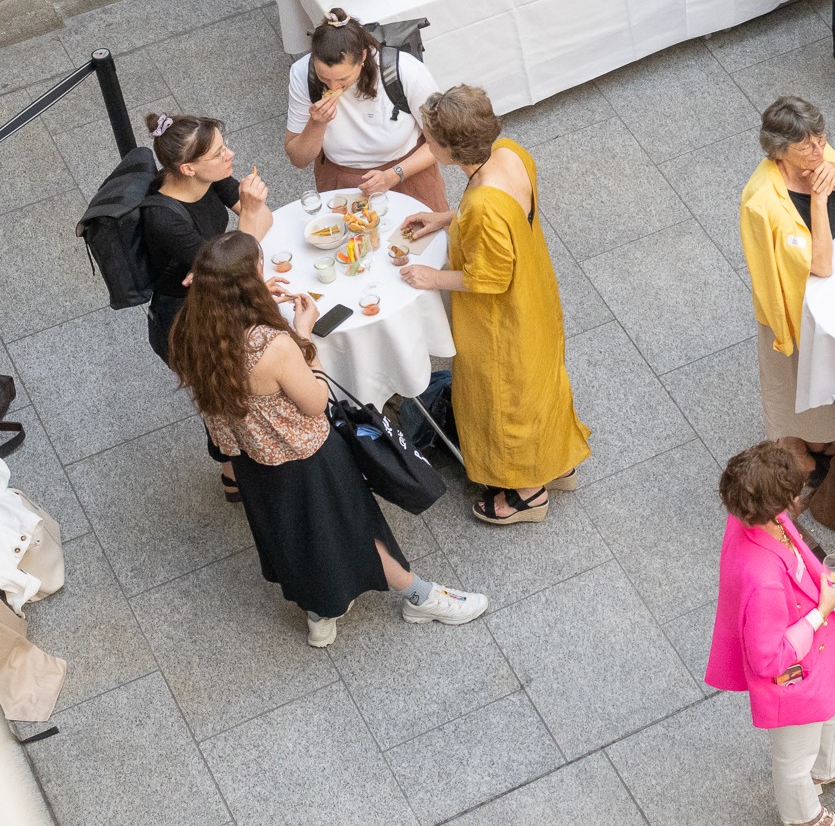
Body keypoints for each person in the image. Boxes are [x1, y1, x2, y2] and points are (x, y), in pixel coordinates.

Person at [168, 233, 486, 645]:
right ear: (250, 278)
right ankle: (420, 596)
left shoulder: (190, 335)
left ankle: (321, 613)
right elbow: (316, 401)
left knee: (298, 536)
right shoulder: (274, 346)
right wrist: (305, 339)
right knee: (355, 527)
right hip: (309, 457)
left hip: (252, 462)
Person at [396, 86, 593, 522]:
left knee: (506, 398)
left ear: (451, 147)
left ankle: (527, 493)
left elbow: (487, 278)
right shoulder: (509, 152)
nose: (424, 143)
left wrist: (431, 277)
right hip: (535, 293)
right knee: (539, 384)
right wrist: (446, 218)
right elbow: (501, 211)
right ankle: (555, 463)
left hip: (502, 319)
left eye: (430, 138)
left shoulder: (483, 202)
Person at [704, 441, 835, 826]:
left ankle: (827, 766)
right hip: (792, 673)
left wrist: (823, 583)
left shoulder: (757, 515)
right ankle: (803, 815)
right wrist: (823, 607)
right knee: (793, 759)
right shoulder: (763, 580)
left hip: (810, 647)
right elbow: (770, 659)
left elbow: (795, 550)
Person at [738, 97, 835, 480]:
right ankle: (792, 446)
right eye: (807, 146)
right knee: (792, 376)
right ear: (780, 152)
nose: (819, 149)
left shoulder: (819, 154)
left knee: (824, 374)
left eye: (821, 138)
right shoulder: (763, 201)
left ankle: (819, 438)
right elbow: (820, 264)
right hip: (794, 305)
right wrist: (819, 198)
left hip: (833, 293)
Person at [139, 112, 271, 365]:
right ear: (188, 168)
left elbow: (265, 219)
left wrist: (226, 257)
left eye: (225, 146)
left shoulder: (209, 177)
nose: (229, 155)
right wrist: (248, 217)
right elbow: (237, 268)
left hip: (216, 294)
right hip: (188, 317)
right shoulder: (164, 218)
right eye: (218, 153)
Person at [282, 12, 445, 207]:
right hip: (341, 179)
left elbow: (444, 142)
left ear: (363, 57)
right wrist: (316, 124)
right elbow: (298, 159)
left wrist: (395, 175)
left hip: (407, 172)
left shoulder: (407, 72)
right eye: (324, 77)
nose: (333, 87)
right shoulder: (302, 74)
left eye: (343, 79)